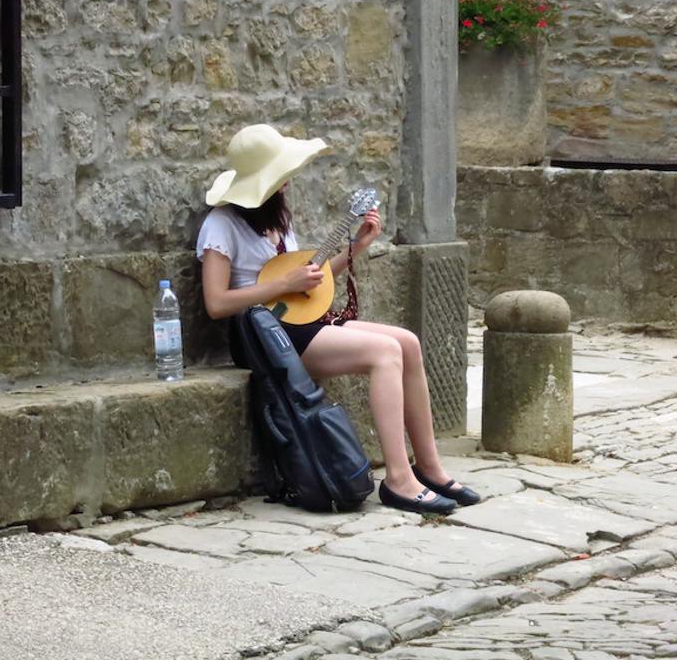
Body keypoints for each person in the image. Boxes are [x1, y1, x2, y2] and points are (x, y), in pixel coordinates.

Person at [196, 124, 480, 515]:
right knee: (384, 354)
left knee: (408, 343)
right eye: (280, 176)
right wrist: (283, 283)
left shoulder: (278, 218)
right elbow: (216, 303)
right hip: (267, 339)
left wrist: (357, 248)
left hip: (301, 323)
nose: (287, 183)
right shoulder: (220, 225)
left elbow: (308, 280)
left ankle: (429, 467)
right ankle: (398, 479)